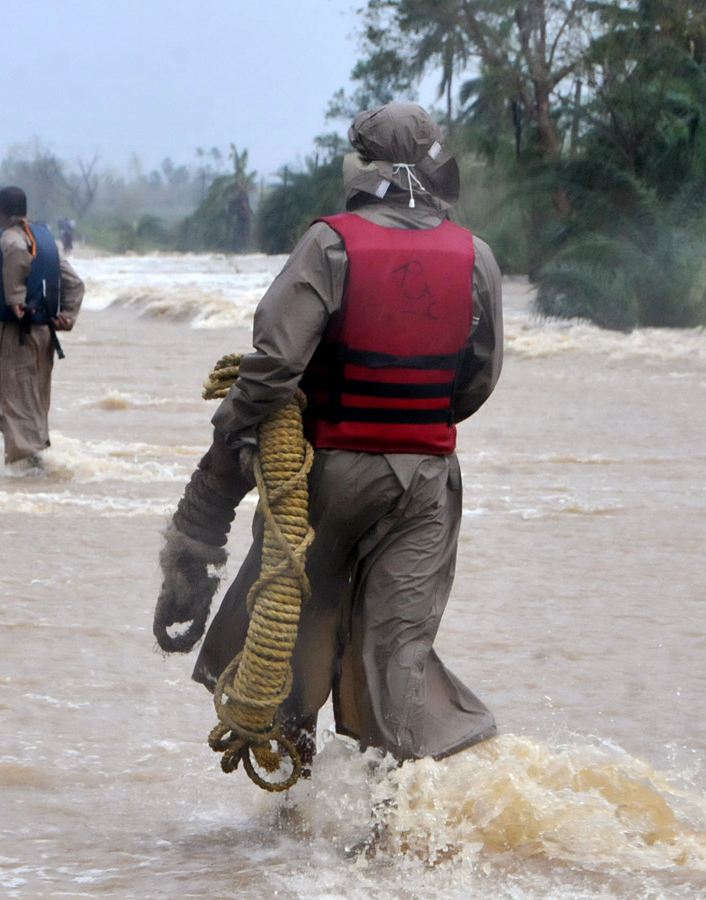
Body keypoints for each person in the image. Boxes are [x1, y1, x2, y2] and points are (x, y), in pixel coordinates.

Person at [189, 103, 504, 769]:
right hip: (426, 478)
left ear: (360, 163)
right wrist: (415, 423)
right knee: (397, 644)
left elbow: (275, 364)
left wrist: (231, 429)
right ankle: (391, 825)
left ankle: (296, 797)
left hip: (330, 469)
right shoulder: (475, 256)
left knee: (296, 625)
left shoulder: (330, 244)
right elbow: (478, 378)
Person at [0, 186, 85, 469]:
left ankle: (27, 466)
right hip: (44, 333)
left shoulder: (11, 238)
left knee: (15, 400)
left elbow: (17, 255)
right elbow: (74, 281)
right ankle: (34, 457)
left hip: (17, 333)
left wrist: (15, 298)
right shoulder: (44, 239)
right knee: (35, 400)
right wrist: (68, 314)